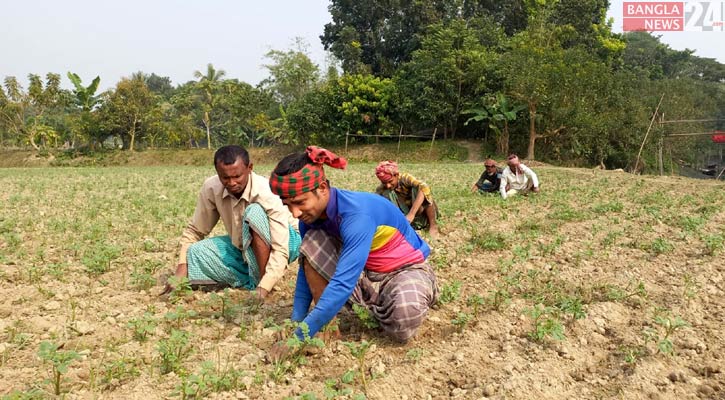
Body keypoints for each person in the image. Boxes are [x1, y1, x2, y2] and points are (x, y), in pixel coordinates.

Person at [268, 146, 438, 352]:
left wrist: (298, 338)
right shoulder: (309, 218)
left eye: (300, 202)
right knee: (312, 242)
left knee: (404, 317)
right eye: (287, 205)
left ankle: (418, 293)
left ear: (322, 188)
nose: (294, 213)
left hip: (404, 270)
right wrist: (297, 320)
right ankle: (328, 325)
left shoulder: (356, 216)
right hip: (365, 274)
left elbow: (342, 282)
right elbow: (308, 265)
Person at [163, 145, 300, 300]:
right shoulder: (211, 187)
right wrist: (180, 271)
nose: (232, 183)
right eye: (225, 178)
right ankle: (251, 277)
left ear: (250, 168)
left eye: (237, 176)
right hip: (244, 247)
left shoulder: (265, 192)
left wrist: (264, 288)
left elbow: (281, 248)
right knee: (195, 252)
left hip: (286, 240)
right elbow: (195, 231)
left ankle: (263, 282)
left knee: (254, 213)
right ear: (217, 172)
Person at [374, 161, 439, 238]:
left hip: (420, 211)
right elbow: (374, 201)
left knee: (421, 189)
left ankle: (433, 225)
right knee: (385, 194)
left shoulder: (405, 178)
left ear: (397, 175)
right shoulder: (384, 188)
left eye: (390, 181)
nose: (388, 185)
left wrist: (411, 214)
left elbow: (424, 187)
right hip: (408, 216)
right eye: (384, 183)